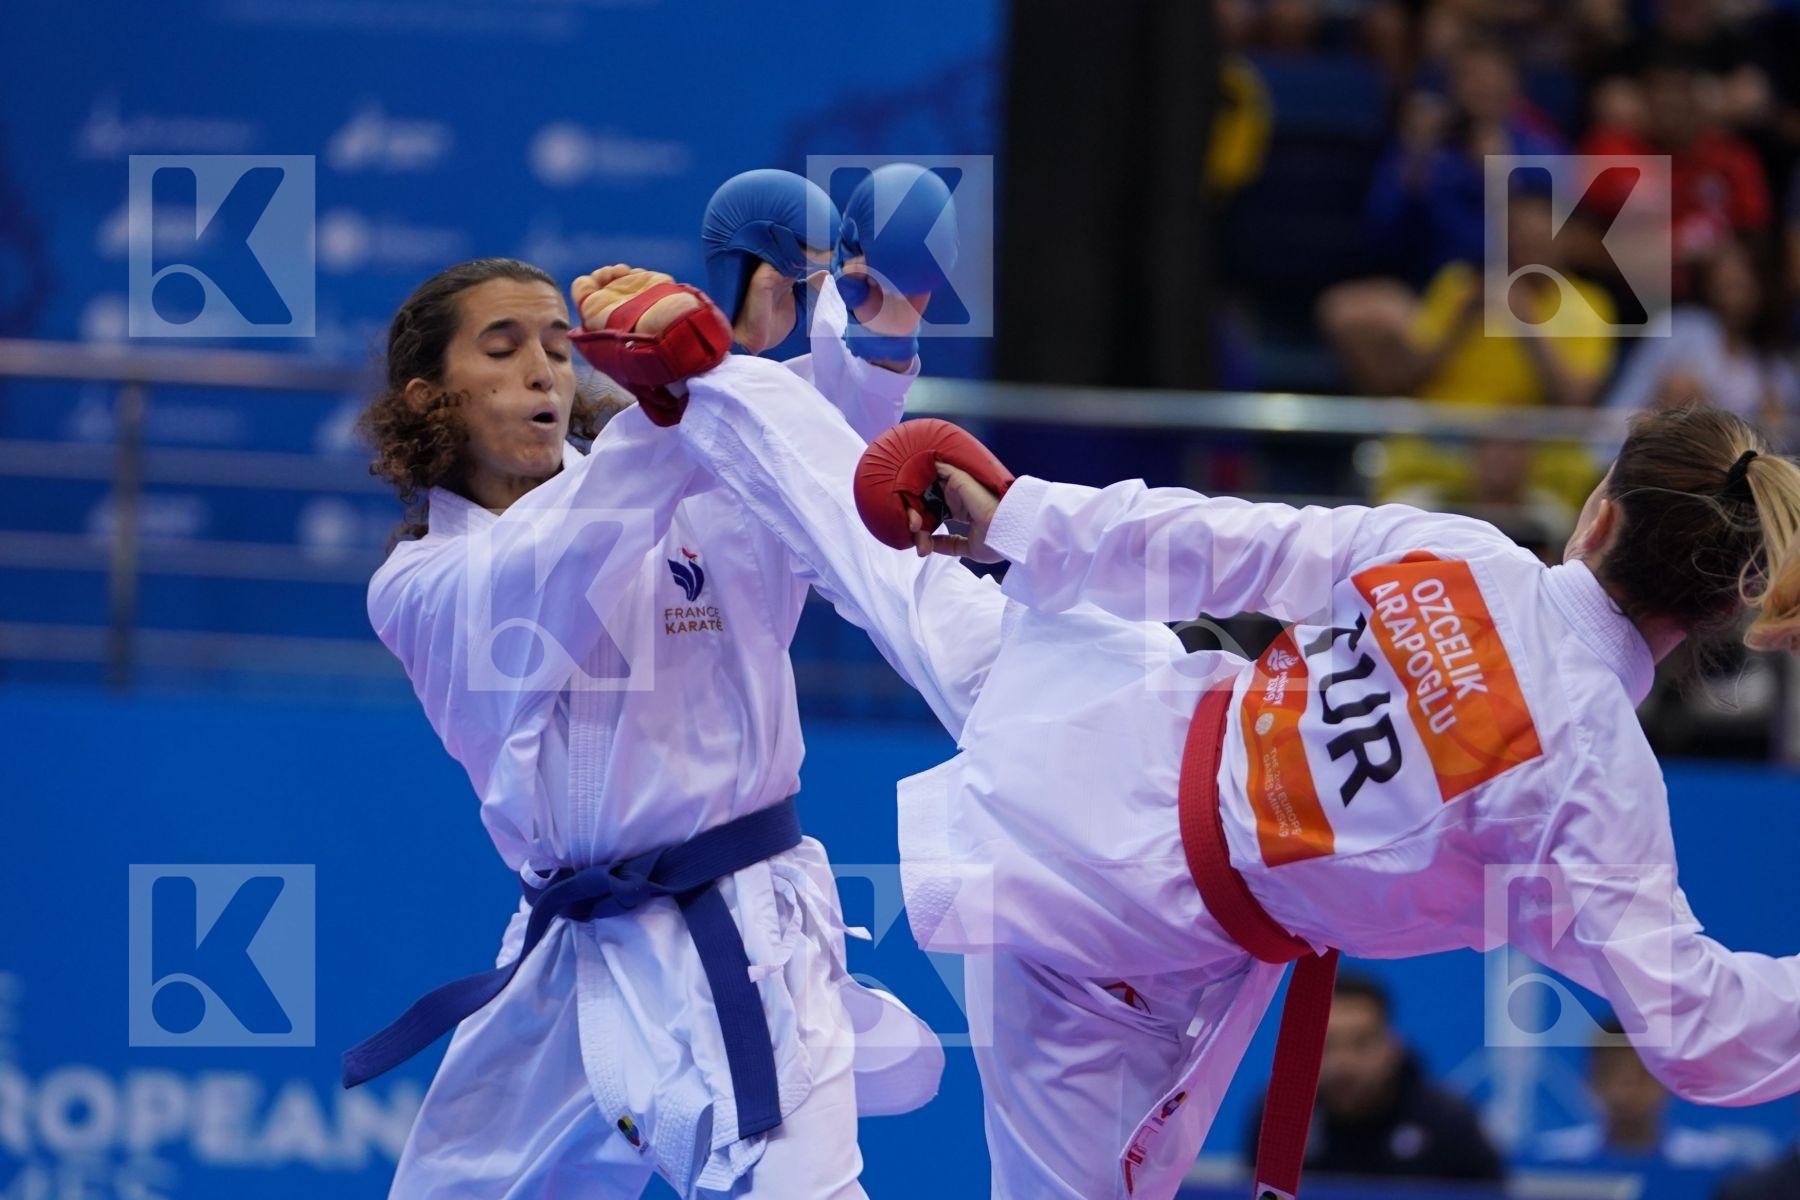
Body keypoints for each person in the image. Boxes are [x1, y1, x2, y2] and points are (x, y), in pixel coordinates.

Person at [575, 270, 1800, 1200]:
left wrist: (1019, 518)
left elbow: (1224, 540)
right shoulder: (1599, 789)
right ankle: (729, 381)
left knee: (901, 576)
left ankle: (712, 371)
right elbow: (1696, 1027)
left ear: (1594, 515)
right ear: (1721, 614)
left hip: (1125, 708)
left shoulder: (1465, 554)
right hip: (1120, 918)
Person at [343, 254, 950, 1200]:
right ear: (428, 401)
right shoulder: (419, 586)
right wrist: (683, 391)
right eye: (501, 351)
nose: (542, 371)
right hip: (565, 954)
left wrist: (864, 347)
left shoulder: (676, 489)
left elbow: (806, 478)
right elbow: (554, 559)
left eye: (556, 345)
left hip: (744, 936)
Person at [1241, 974, 1503, 1183]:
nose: (1344, 1063)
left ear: (1392, 1047)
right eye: (1326, 1044)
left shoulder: (1448, 1124)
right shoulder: (1279, 1116)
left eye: (1361, 1042)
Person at [1534, 1014, 1780, 1169]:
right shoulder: (1550, 1162)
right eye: (1611, 1073)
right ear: (1590, 1081)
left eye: (1641, 1075)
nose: (1626, 1088)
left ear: (1670, 1081)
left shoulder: (1711, 1165)